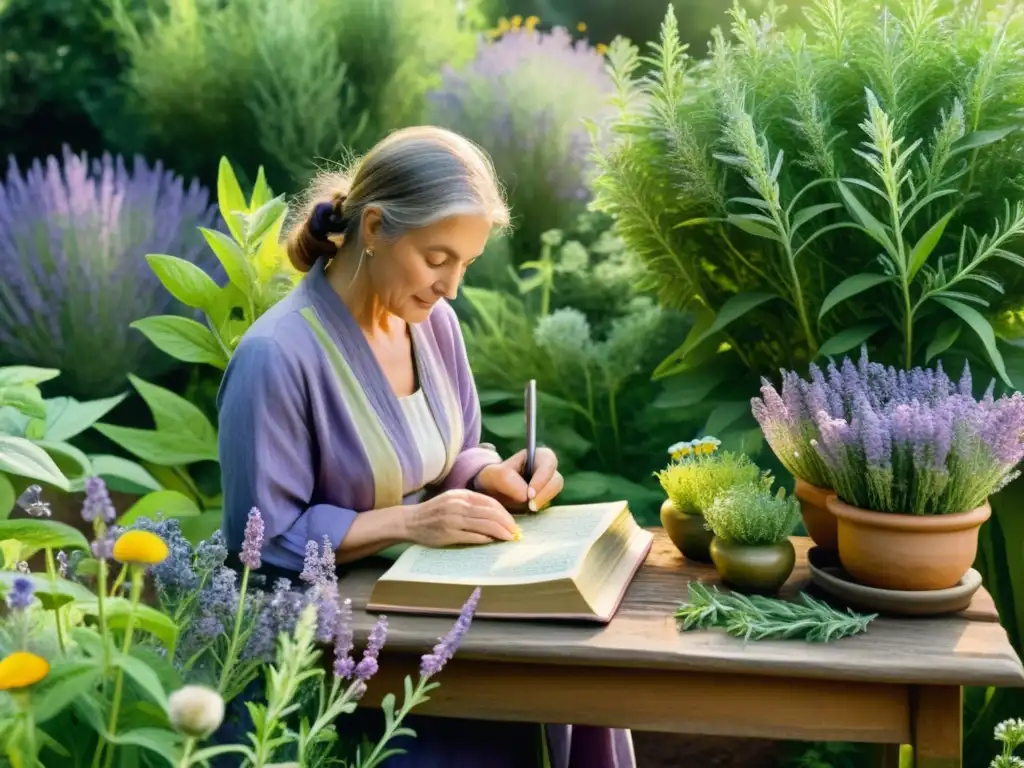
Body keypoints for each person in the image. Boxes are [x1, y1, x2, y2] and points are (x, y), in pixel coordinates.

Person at [216, 125, 636, 768]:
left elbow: (454, 453)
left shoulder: (432, 323)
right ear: (376, 227)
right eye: (438, 259)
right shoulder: (276, 357)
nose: (451, 288)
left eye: (464, 265)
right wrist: (412, 522)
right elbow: (265, 539)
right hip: (335, 667)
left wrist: (493, 473)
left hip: (439, 624)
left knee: (581, 680)